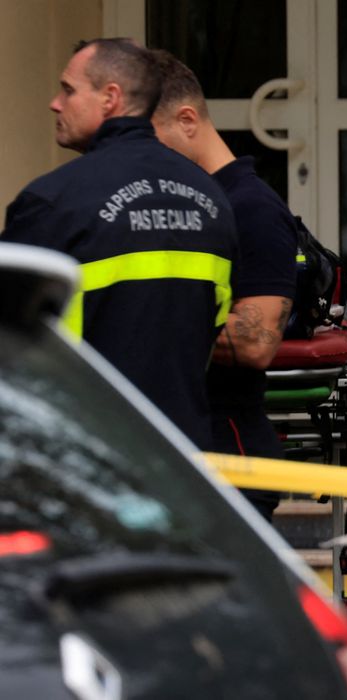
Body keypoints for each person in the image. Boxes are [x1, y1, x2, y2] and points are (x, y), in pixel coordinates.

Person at [1, 38, 237, 451]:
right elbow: (215, 318)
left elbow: (10, 338)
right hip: (183, 459)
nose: (56, 103)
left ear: (110, 97)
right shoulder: (212, 199)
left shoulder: (53, 200)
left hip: (82, 455)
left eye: (69, 90)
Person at [150, 49, 297, 522]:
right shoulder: (182, 204)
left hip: (229, 458)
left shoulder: (249, 206)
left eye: (146, 138)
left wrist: (134, 325)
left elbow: (256, 342)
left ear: (187, 120)